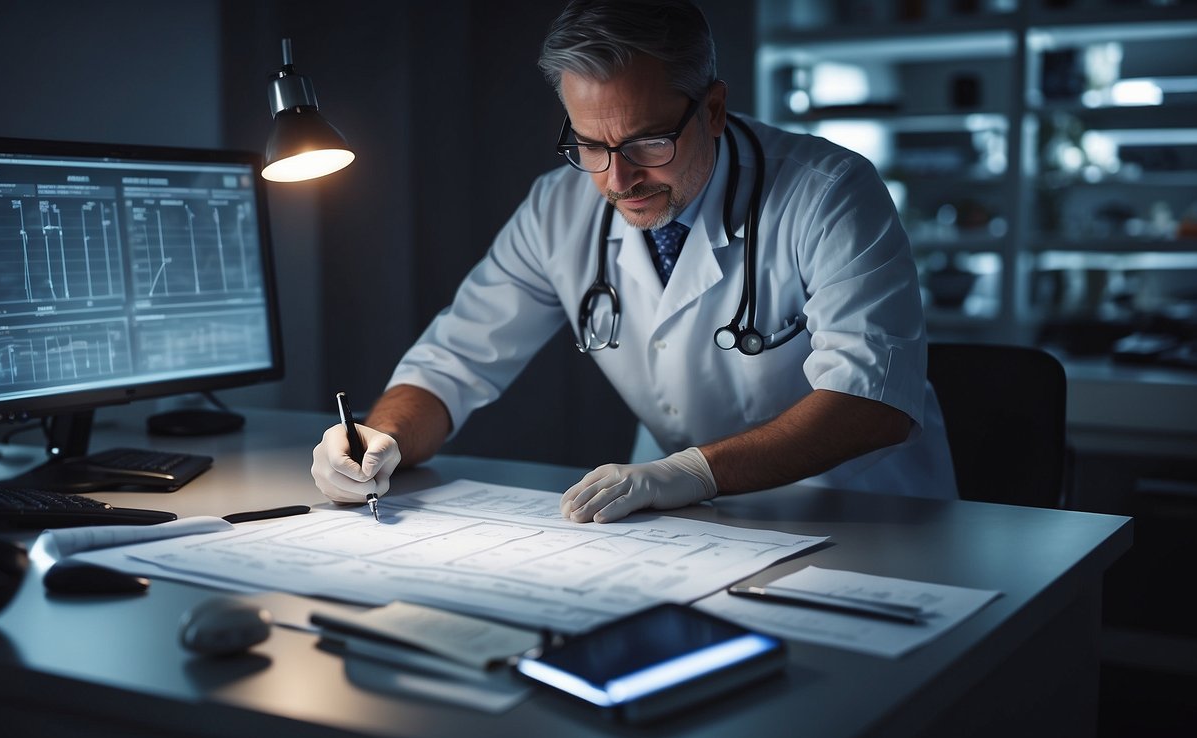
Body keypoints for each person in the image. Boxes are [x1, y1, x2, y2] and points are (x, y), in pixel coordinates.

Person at [312, 0, 957, 523]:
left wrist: (688, 472)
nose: (618, 178)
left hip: (858, 512)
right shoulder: (557, 209)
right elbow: (450, 365)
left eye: (649, 140)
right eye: (590, 144)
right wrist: (383, 439)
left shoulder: (829, 191)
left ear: (711, 109)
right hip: (675, 516)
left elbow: (870, 400)